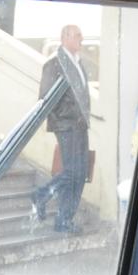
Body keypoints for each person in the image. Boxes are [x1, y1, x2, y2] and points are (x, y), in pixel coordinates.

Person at [31, 24, 90, 234]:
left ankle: (64, 219)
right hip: (67, 126)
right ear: (65, 37)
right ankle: (43, 194)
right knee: (73, 171)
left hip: (81, 126)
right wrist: (67, 119)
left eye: (81, 35)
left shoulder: (78, 63)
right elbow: (45, 99)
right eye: (77, 35)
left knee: (80, 173)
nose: (81, 39)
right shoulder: (54, 64)